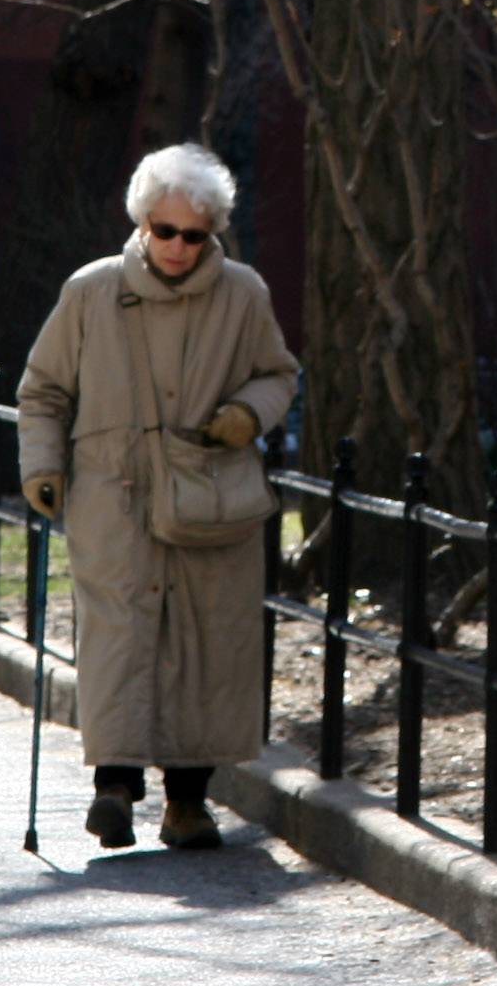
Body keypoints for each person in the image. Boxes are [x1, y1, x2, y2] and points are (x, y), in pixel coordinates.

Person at [17, 143, 300, 852]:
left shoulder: (244, 293)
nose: (178, 246)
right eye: (164, 230)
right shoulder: (91, 290)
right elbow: (43, 390)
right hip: (112, 495)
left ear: (213, 233)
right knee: (117, 635)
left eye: (194, 234)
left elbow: (278, 374)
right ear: (143, 223)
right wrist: (42, 468)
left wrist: (245, 414)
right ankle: (112, 786)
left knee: (205, 642)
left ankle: (188, 803)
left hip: (210, 495)